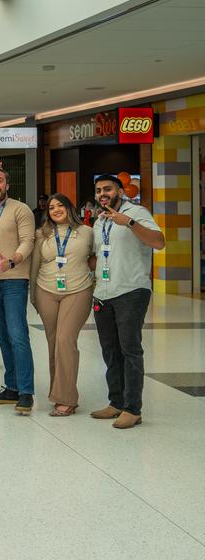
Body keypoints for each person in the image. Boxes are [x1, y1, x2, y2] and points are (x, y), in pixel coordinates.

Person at [89, 174, 164, 429]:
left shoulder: (137, 212)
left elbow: (159, 242)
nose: (102, 194)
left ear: (120, 191)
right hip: (103, 293)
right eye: (99, 190)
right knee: (110, 350)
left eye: (108, 189)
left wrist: (129, 222)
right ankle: (116, 402)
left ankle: (133, 409)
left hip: (132, 290)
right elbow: (100, 256)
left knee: (130, 349)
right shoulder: (99, 221)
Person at [0, 168, 37, 413]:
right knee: (3, 337)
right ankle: (11, 386)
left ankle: (26, 392)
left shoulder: (20, 210)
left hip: (14, 279)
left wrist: (10, 261)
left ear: (7, 185)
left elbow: (28, 241)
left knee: (17, 335)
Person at [30, 194, 95, 416]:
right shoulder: (42, 234)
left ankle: (67, 398)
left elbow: (97, 258)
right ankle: (58, 393)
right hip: (46, 290)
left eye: (60, 205)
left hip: (78, 290)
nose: (55, 209)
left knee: (64, 340)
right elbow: (35, 266)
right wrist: (33, 296)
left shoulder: (87, 232)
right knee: (52, 343)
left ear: (69, 207)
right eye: (51, 207)